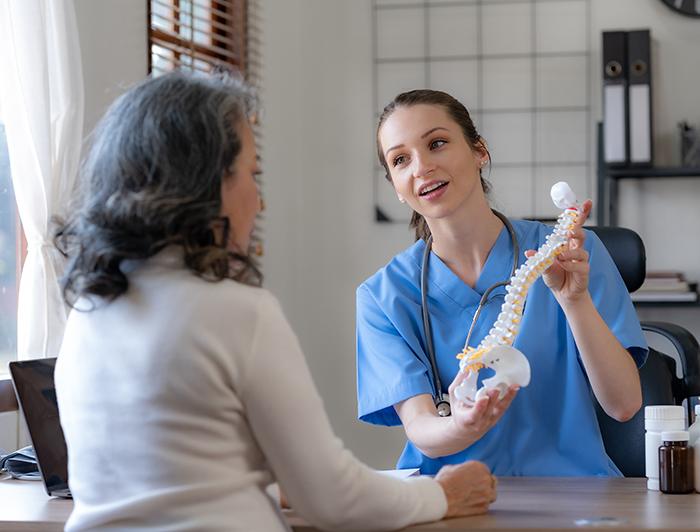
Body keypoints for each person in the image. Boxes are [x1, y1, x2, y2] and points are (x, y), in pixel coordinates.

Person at [52, 73, 498, 532]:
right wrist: (443, 494)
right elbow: (334, 500)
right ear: (206, 185)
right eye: (251, 173)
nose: (258, 200)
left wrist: (264, 485)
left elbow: (173, 479)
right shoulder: (236, 312)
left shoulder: (89, 315)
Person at [356, 89, 648, 477]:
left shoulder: (569, 253)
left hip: (572, 496)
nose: (421, 167)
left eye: (437, 143)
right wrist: (461, 425)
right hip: (451, 498)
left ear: (479, 151)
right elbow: (422, 428)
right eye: (400, 160)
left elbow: (624, 404)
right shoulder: (383, 297)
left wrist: (574, 301)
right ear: (396, 185)